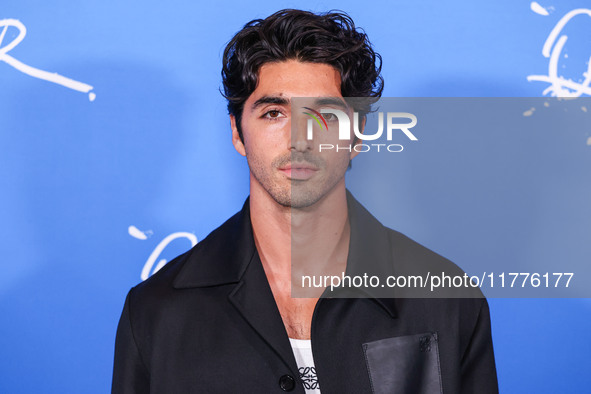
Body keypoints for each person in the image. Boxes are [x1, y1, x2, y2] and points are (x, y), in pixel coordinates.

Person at [112, 9, 498, 393]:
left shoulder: (447, 299)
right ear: (237, 132)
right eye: (274, 113)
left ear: (358, 135)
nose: (299, 138)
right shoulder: (156, 314)